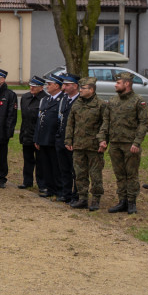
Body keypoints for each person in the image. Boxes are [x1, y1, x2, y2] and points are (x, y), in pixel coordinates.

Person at [102, 71, 148, 214]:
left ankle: (131, 202)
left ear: (127, 84)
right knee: (119, 174)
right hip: (115, 143)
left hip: (130, 144)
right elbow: (106, 121)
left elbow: (144, 123)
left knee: (131, 174)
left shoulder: (138, 101)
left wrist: (137, 142)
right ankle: (122, 201)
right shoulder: (112, 101)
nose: (115, 85)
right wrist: (103, 139)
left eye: (118, 83)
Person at [64, 77, 108, 211]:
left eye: (83, 88)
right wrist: (68, 140)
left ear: (91, 90)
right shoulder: (77, 103)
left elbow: (106, 125)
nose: (80, 90)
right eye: (80, 88)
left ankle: (95, 199)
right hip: (78, 145)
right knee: (80, 173)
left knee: (95, 174)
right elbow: (70, 123)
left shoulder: (101, 105)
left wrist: (103, 141)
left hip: (94, 146)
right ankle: (82, 198)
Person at [34, 75, 64, 199]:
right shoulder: (45, 100)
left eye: (50, 84)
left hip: (54, 139)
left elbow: (61, 121)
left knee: (56, 166)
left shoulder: (62, 100)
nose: (47, 86)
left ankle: (60, 190)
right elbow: (39, 120)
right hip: (43, 138)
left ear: (57, 86)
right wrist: (37, 138)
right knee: (46, 165)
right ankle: (50, 188)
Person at [55, 73, 81, 203]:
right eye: (64, 84)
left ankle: (76, 195)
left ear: (75, 86)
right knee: (64, 168)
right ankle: (66, 193)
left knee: (75, 170)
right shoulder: (64, 99)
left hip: (74, 140)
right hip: (61, 138)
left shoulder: (80, 101)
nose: (64, 87)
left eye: (67, 85)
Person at [18, 76, 47, 190]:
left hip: (38, 135)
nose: (31, 88)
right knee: (27, 159)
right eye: (30, 85)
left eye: (34, 86)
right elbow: (24, 117)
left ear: (41, 87)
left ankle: (42, 184)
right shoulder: (25, 97)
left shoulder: (45, 99)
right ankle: (27, 181)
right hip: (27, 133)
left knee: (40, 161)